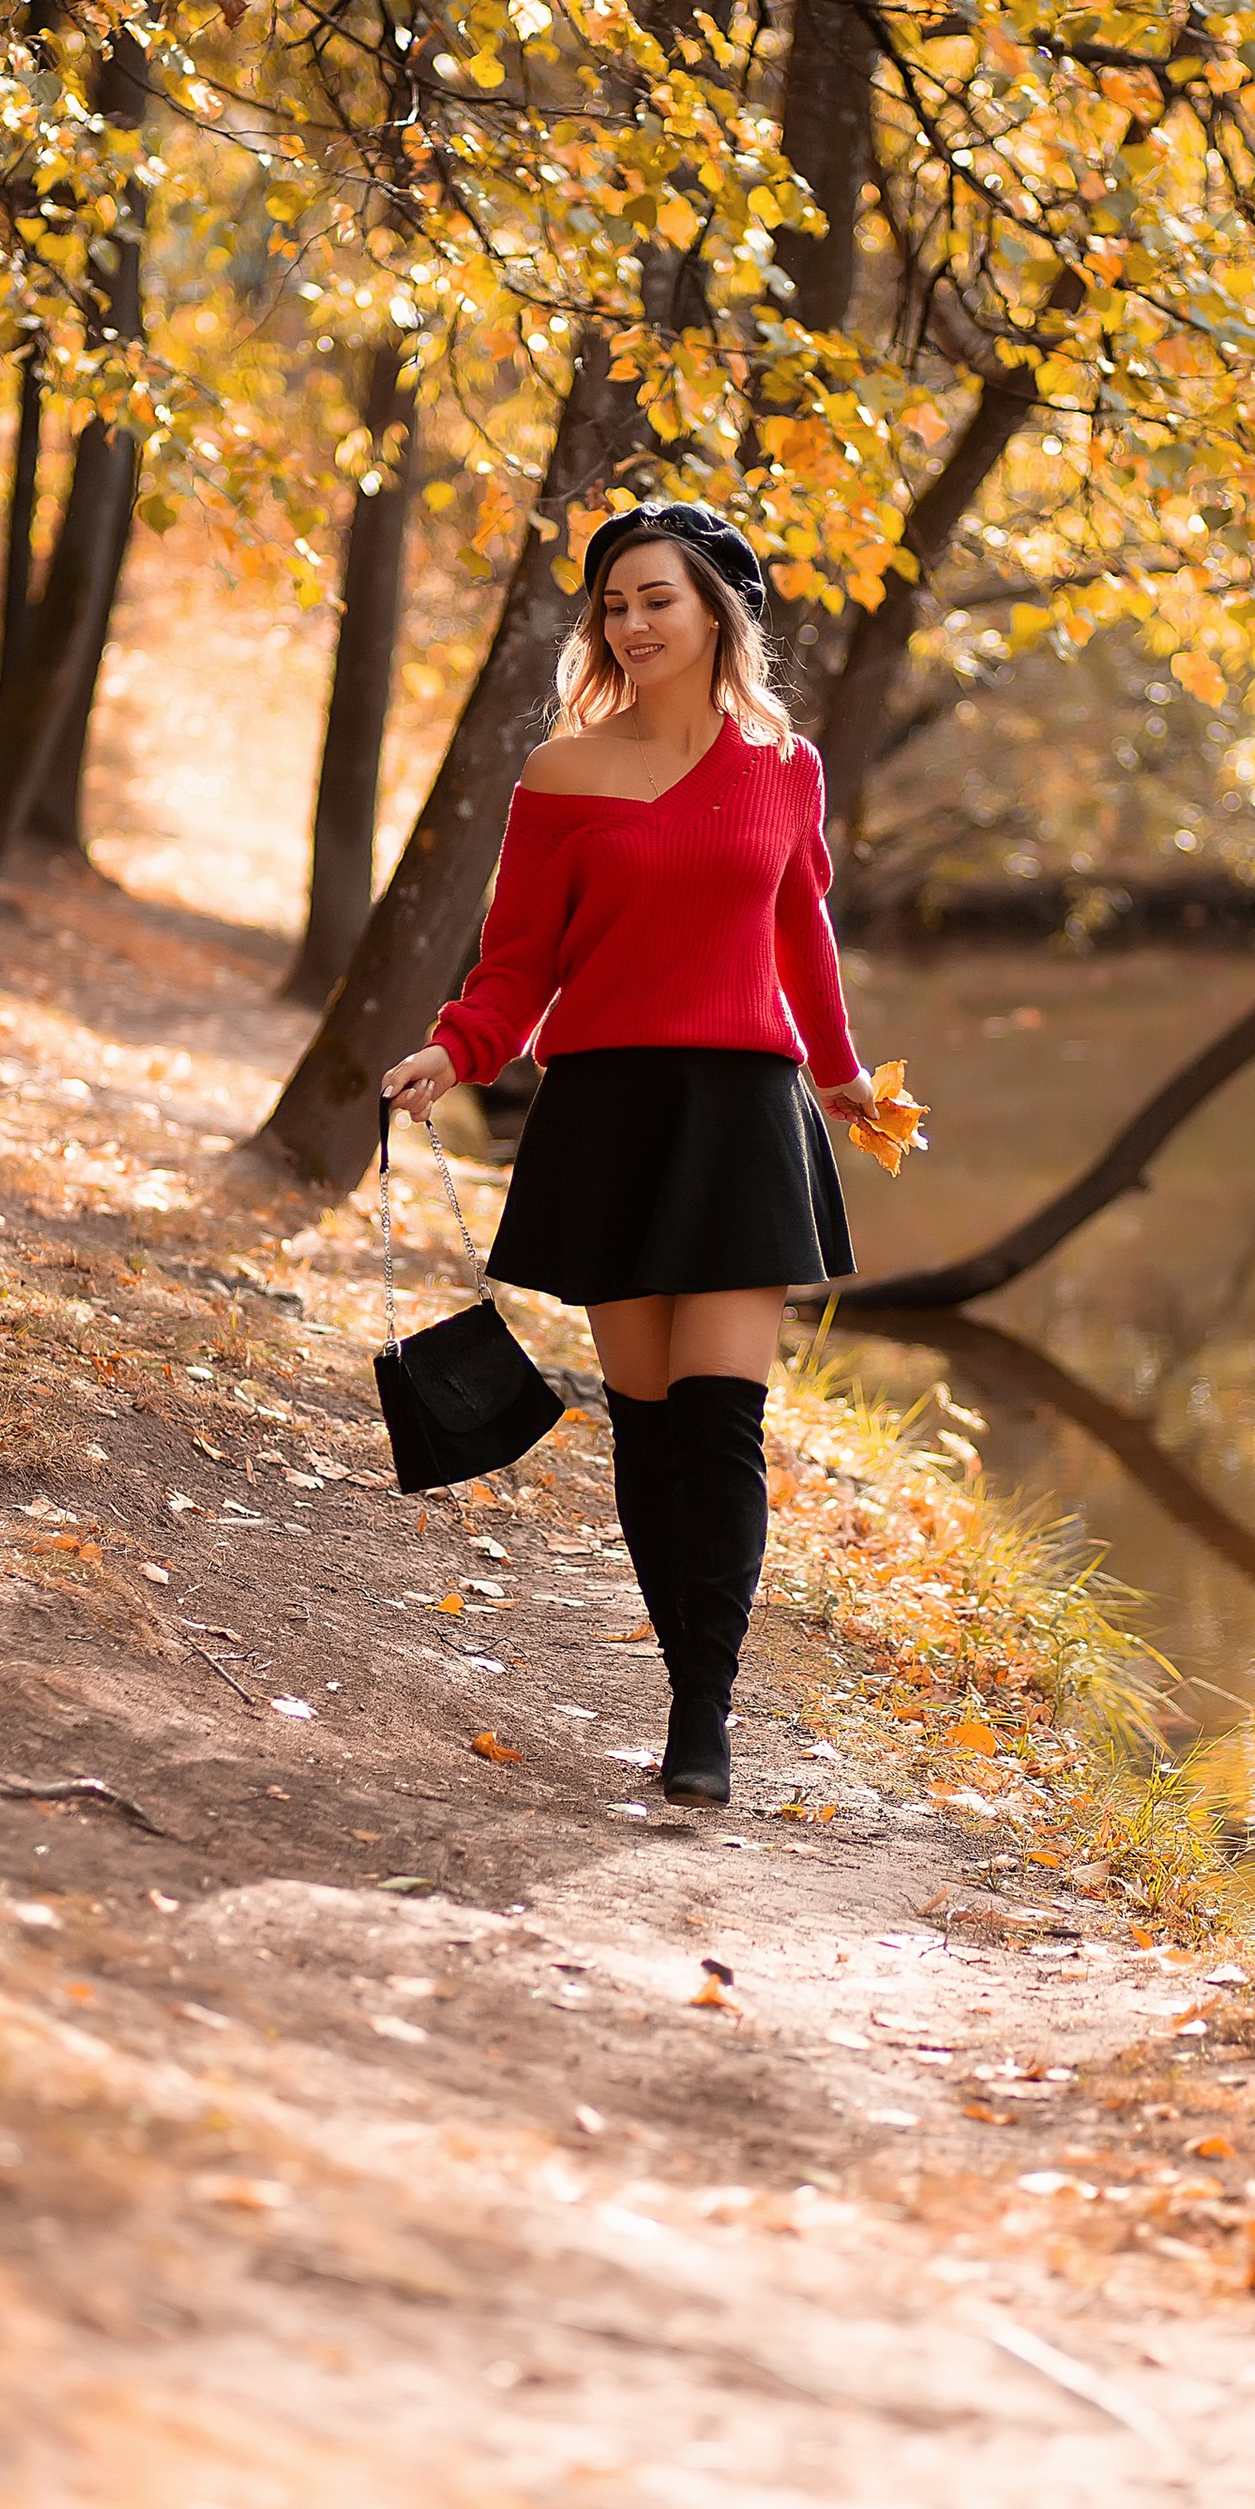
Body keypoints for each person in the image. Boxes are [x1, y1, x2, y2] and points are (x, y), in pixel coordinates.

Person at [383, 502, 879, 1808]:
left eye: (657, 597)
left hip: (743, 1111)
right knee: (651, 1425)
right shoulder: (561, 774)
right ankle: (685, 1678)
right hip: (608, 1108)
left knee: (723, 1419)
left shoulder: (786, 764)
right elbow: (519, 964)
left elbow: (800, 937)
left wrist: (842, 1078)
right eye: (614, 603)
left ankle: (702, 1716)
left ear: (717, 607)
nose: (632, 622)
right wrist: (459, 1049)